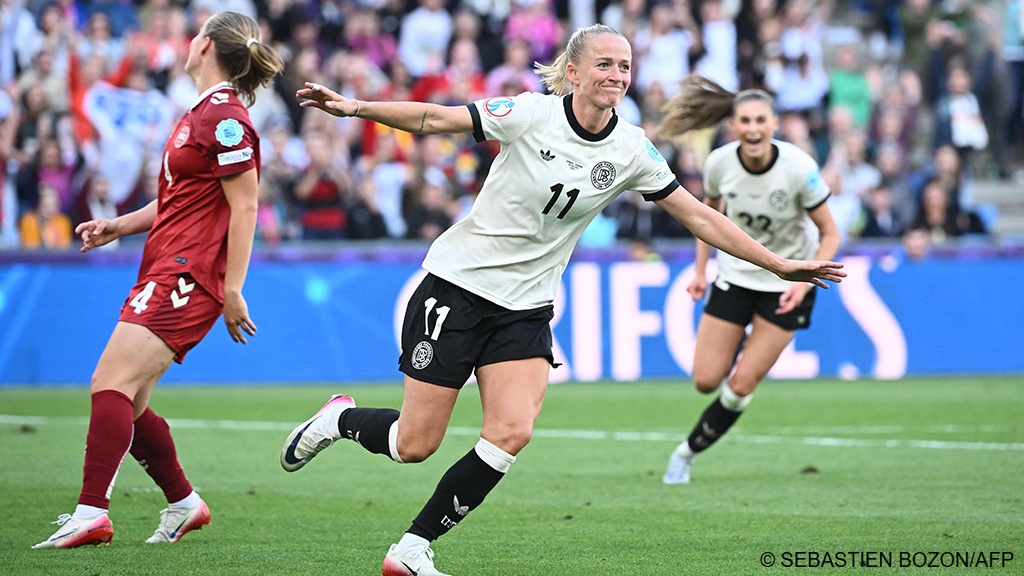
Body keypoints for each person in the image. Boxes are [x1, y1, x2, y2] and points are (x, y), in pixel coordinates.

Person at [282, 25, 845, 576]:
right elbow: (436, 119)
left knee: (512, 432)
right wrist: (354, 108)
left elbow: (698, 214)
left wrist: (777, 263)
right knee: (414, 444)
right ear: (572, 72)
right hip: (458, 288)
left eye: (624, 66)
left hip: (526, 307)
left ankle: (412, 547)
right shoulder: (532, 114)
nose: (617, 75)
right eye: (604, 64)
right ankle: (341, 421)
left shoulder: (631, 148)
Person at [33, 11, 284, 549]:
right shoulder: (199, 112)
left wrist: (234, 286)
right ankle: (184, 502)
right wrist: (117, 226)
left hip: (188, 275)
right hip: (166, 265)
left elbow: (246, 207)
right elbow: (180, 197)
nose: (187, 43)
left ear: (207, 45)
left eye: (195, 35)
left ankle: (91, 511)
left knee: (109, 383)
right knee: (133, 401)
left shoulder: (226, 119)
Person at [657, 76, 842, 485]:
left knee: (741, 384)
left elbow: (831, 233)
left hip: (787, 286)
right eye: (745, 121)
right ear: (734, 126)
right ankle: (737, 339)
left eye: (761, 120)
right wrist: (701, 270)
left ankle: (685, 454)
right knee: (706, 380)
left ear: (775, 123)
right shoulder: (720, 164)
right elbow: (707, 218)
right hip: (737, 277)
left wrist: (805, 281)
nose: (753, 128)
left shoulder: (799, 169)